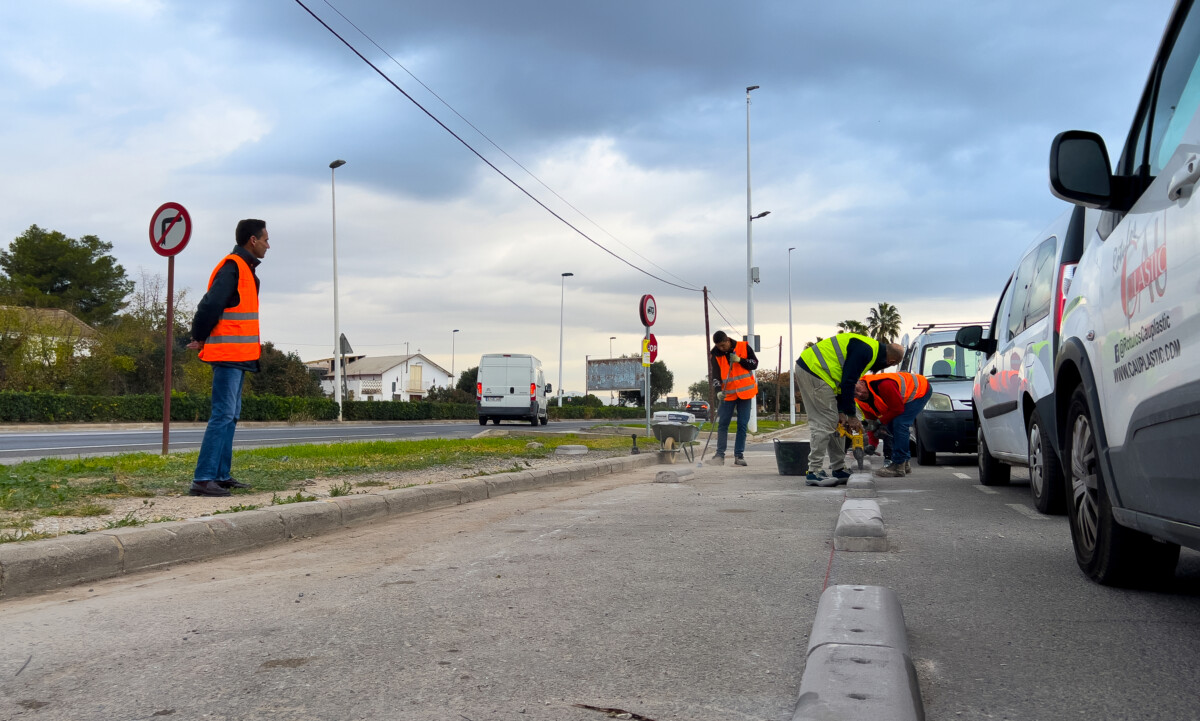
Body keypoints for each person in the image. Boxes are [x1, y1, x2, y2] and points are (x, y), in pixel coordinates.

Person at [186, 219, 269, 497]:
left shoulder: (245, 269)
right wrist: (198, 335)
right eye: (265, 239)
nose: (268, 245)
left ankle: (220, 475)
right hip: (228, 354)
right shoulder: (233, 266)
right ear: (252, 240)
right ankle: (203, 478)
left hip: (240, 355)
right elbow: (209, 304)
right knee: (222, 415)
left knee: (230, 416)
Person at [795, 333, 904, 486]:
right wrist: (852, 415)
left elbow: (843, 381)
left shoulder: (869, 350)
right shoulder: (866, 351)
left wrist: (842, 412)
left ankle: (838, 468)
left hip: (825, 376)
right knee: (824, 422)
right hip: (814, 370)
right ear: (891, 361)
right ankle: (814, 472)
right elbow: (848, 382)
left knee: (838, 423)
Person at [854, 371, 932, 477]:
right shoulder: (861, 400)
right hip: (902, 398)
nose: (859, 394)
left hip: (919, 389)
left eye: (857, 390)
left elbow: (897, 410)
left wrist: (880, 422)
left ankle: (898, 465)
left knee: (900, 424)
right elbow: (871, 423)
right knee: (891, 426)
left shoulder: (883, 385)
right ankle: (905, 464)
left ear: (862, 383)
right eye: (855, 394)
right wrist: (873, 444)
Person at [707, 330, 759, 466]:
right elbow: (715, 376)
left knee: (742, 425)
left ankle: (739, 455)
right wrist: (718, 390)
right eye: (719, 346)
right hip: (727, 394)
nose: (721, 348)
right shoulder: (715, 354)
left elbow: (754, 364)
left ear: (728, 340)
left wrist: (740, 360)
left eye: (723, 345)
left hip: (745, 393)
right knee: (723, 424)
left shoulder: (743, 347)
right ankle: (719, 455)